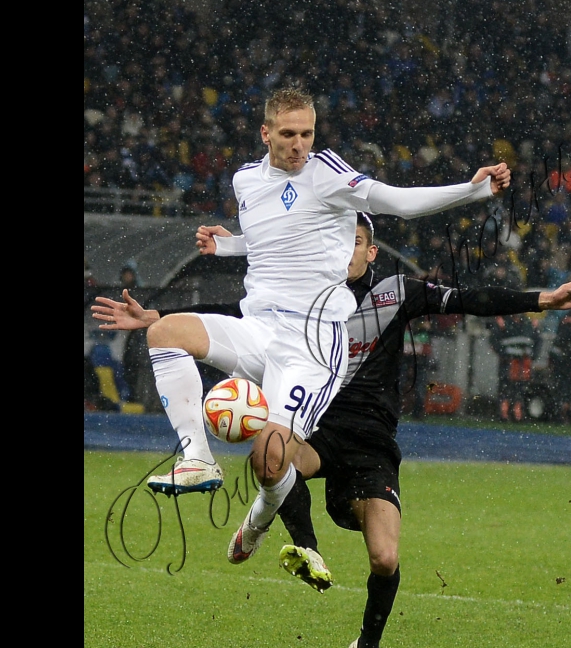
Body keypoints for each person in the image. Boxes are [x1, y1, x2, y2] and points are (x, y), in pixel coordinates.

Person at [93, 213, 571, 648]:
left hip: (372, 444)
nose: (342, 251)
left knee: (384, 557)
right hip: (315, 429)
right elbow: (242, 321)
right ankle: (301, 543)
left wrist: (544, 299)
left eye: (353, 242)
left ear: (371, 249)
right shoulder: (307, 296)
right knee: (268, 451)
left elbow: (471, 299)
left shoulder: (395, 293)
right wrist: (158, 319)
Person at [135, 86, 513, 573]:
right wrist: (229, 249)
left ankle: (256, 522)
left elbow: (395, 201)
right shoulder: (246, 180)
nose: (299, 144)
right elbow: (277, 235)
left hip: (312, 346)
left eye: (307, 134)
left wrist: (474, 189)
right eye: (289, 134)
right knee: (163, 334)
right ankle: (198, 460)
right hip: (259, 328)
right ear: (266, 133)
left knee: (271, 461)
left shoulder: (328, 173)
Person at [486, 312, 540, 422]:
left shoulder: (528, 324)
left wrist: (531, 356)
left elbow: (537, 341)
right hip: (508, 362)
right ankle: (504, 414)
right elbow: (494, 340)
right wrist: (505, 355)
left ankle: (517, 414)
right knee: (506, 387)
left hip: (523, 362)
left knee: (520, 388)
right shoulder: (503, 322)